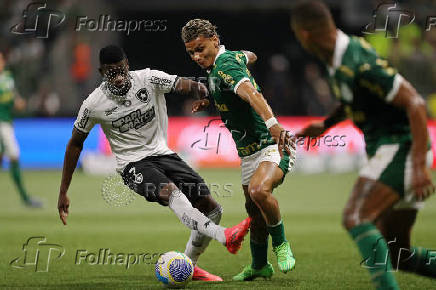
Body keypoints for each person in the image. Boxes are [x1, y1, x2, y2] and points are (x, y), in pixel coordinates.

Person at [57, 45, 251, 282]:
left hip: (164, 155)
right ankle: (225, 236)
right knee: (172, 194)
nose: (117, 77)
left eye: (120, 70)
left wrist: (200, 91)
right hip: (133, 165)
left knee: (211, 209)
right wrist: (63, 191)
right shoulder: (93, 104)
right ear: (101, 72)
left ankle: (189, 265)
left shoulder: (148, 78)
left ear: (127, 65)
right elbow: (75, 144)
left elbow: (184, 84)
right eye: (110, 72)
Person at [291, 1, 436, 289]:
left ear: (304, 35)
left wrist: (419, 166)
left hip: (401, 147)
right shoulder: (338, 57)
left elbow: (416, 104)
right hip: (392, 150)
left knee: (356, 218)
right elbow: (355, 98)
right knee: (398, 254)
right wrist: (327, 123)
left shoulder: (357, 61)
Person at [181, 19, 297, 281]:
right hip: (248, 153)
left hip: (271, 144)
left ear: (215, 41)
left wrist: (274, 126)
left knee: (259, 191)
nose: (197, 56)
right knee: (254, 211)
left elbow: (253, 95)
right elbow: (251, 55)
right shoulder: (225, 62)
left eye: (201, 49)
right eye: (191, 52)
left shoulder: (225, 66)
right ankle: (258, 266)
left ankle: (281, 244)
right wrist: (210, 97)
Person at [0, 52, 43, 208]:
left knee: (13, 156)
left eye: (1, 59)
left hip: (6, 124)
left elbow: (14, 97)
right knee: (12, 155)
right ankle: (25, 198)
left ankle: (25, 198)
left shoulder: (7, 78)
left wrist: (18, 102)